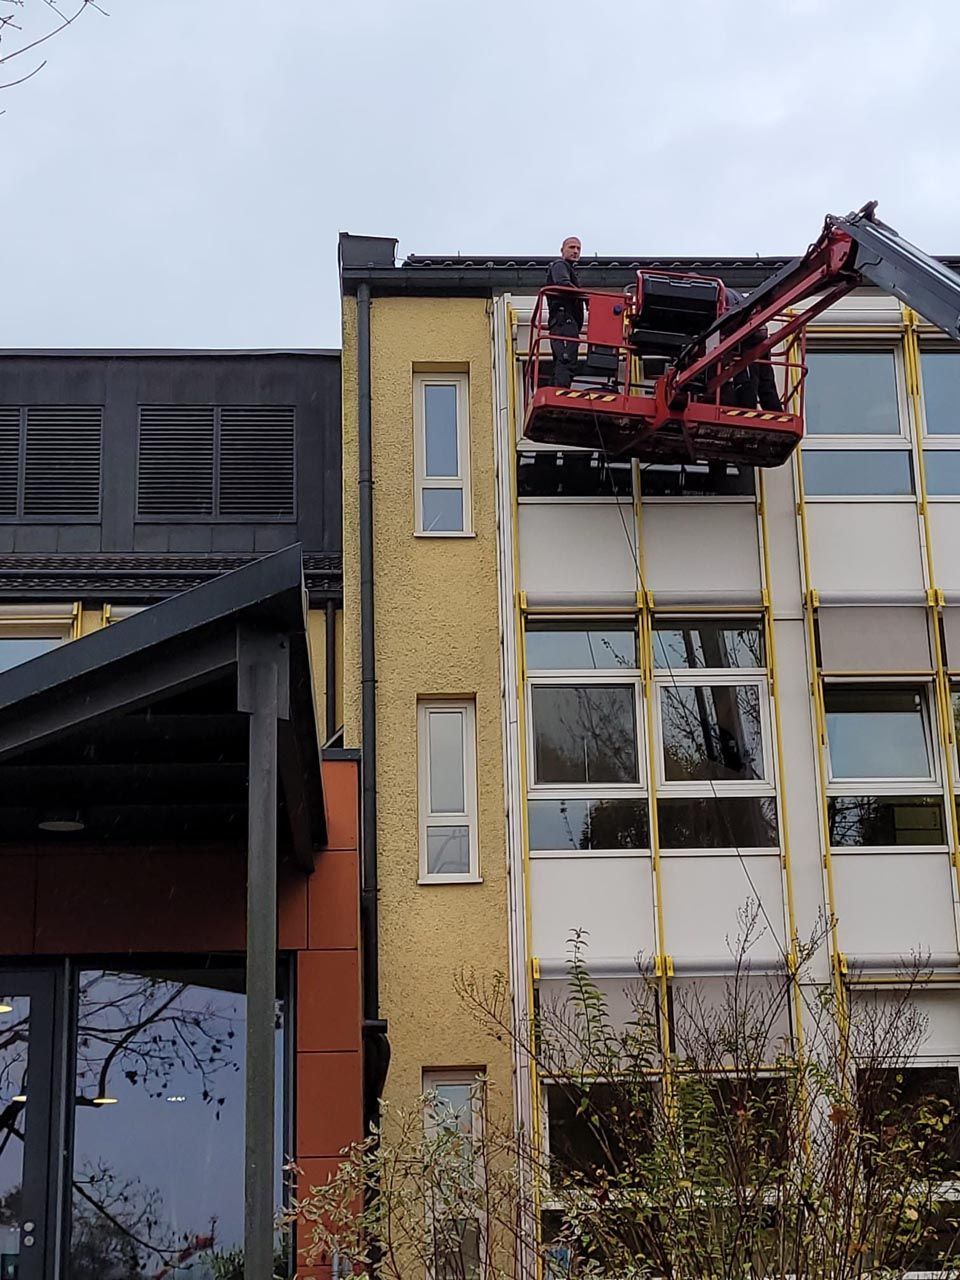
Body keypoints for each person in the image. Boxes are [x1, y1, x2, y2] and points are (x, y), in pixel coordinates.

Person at [721, 286, 782, 411]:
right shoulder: (729, 295)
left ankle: (752, 408)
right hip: (754, 335)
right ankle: (774, 411)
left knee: (749, 376)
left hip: (749, 336)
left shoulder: (721, 298)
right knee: (764, 381)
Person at [546, 236, 585, 388]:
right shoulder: (560, 265)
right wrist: (586, 297)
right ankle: (560, 391)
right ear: (562, 250)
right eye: (572, 247)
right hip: (564, 321)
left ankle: (556, 389)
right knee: (566, 359)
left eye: (578, 248)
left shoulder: (568, 269)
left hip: (565, 322)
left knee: (562, 360)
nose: (575, 251)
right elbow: (563, 284)